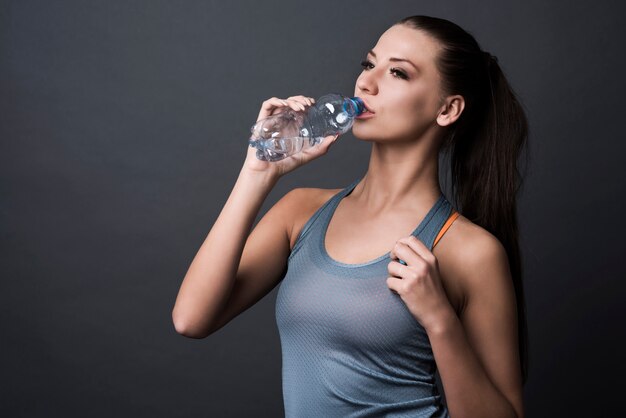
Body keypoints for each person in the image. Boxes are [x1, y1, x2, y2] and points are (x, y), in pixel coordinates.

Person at [172, 14, 529, 418]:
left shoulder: (470, 251)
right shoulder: (301, 212)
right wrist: (258, 171)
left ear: (447, 109)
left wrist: (439, 319)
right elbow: (191, 319)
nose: (366, 82)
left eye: (397, 72)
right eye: (368, 64)